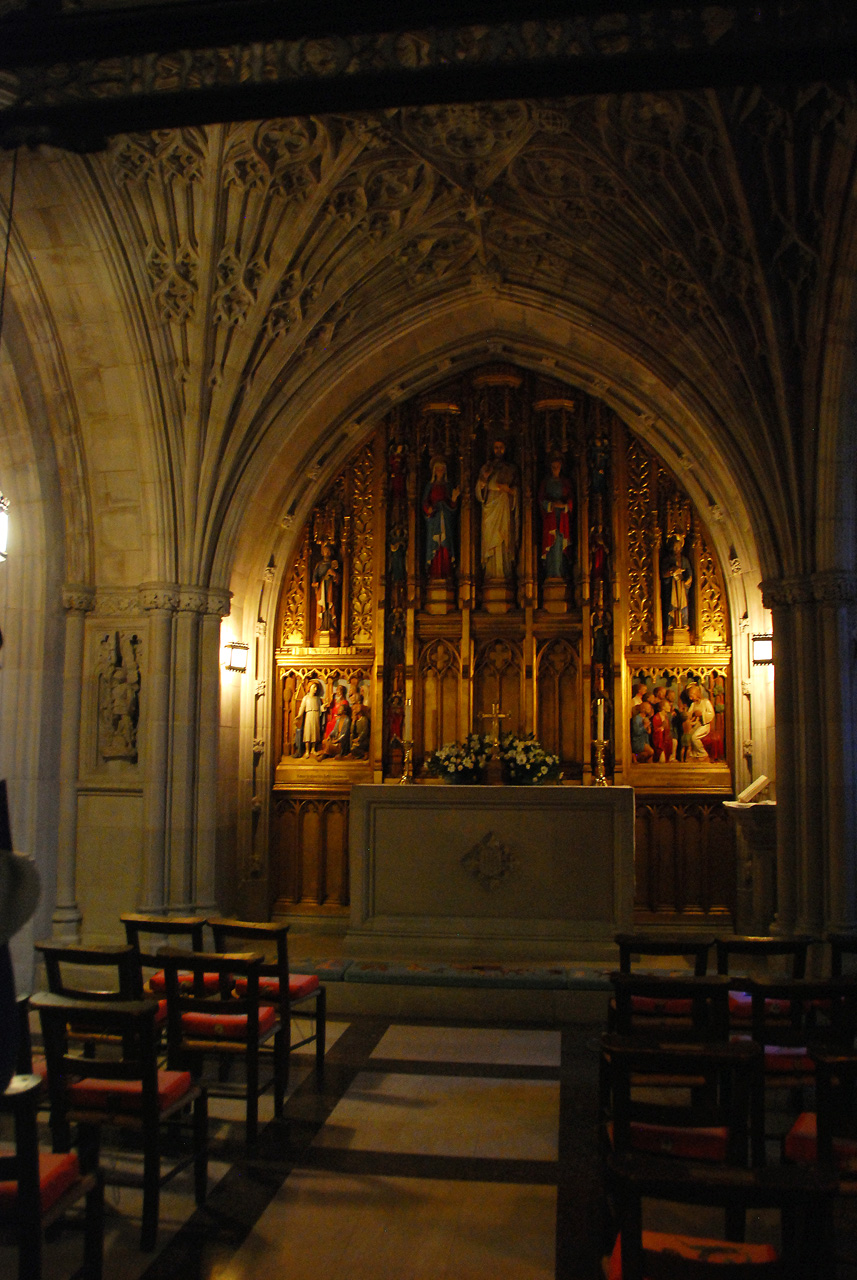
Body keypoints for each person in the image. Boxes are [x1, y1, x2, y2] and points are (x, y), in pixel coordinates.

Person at [475, 437, 519, 580]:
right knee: (490, 538)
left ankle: (504, 572)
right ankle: (491, 572)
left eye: (501, 447)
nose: (498, 450)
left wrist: (510, 491)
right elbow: (478, 493)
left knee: (504, 537)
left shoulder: (511, 468)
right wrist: (483, 480)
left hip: (504, 503)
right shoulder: (486, 468)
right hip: (490, 506)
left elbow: (520, 492)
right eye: (496, 447)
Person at [422, 456, 460, 578]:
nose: (440, 472)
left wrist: (453, 499)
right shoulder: (430, 486)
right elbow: (424, 502)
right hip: (434, 520)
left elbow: (452, 506)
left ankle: (446, 572)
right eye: (437, 469)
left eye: (442, 469)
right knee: (434, 545)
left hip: (445, 518)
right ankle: (434, 573)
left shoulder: (448, 485)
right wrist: (429, 509)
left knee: (446, 545)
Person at [538, 454, 573, 579]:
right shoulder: (546, 482)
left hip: (562, 517)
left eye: (557, 466)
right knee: (551, 544)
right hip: (550, 517)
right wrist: (551, 505)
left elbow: (571, 499)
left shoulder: (565, 482)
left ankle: (560, 573)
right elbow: (541, 499)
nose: (555, 469)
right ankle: (551, 573)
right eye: (553, 467)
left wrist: (564, 505)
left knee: (560, 543)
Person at [660, 535, 692, 632]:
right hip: (672, 585)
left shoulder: (684, 560)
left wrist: (688, 579)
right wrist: (671, 572)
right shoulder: (667, 559)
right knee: (671, 604)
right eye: (674, 547)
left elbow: (689, 572)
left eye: (678, 547)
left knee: (683, 604)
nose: (676, 549)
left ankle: (684, 622)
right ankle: (670, 623)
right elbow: (663, 573)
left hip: (681, 585)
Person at [312, 542, 340, 637]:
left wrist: (334, 575)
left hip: (331, 588)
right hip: (322, 588)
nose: (327, 553)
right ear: (322, 552)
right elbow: (315, 576)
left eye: (328, 551)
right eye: (325, 551)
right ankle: (321, 626)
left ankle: (331, 625)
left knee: (330, 606)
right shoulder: (319, 564)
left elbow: (338, 579)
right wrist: (316, 583)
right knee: (322, 607)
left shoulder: (333, 564)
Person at [688, 682, 715, 759]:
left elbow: (711, 714)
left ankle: (703, 753)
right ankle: (694, 753)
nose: (690, 698)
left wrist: (702, 714)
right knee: (689, 735)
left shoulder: (706, 702)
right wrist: (690, 715)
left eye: (691, 696)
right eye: (689, 697)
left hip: (704, 725)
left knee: (694, 737)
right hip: (695, 724)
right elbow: (689, 714)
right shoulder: (693, 704)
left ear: (696, 694)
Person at [298, 681, 323, 754]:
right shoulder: (306, 698)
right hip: (309, 715)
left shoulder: (317, 699)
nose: (315, 689)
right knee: (308, 733)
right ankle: (307, 751)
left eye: (316, 688)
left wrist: (323, 708)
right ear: (309, 688)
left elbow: (319, 708)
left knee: (315, 733)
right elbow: (302, 707)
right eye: (314, 687)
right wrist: (299, 715)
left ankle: (313, 749)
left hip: (316, 715)